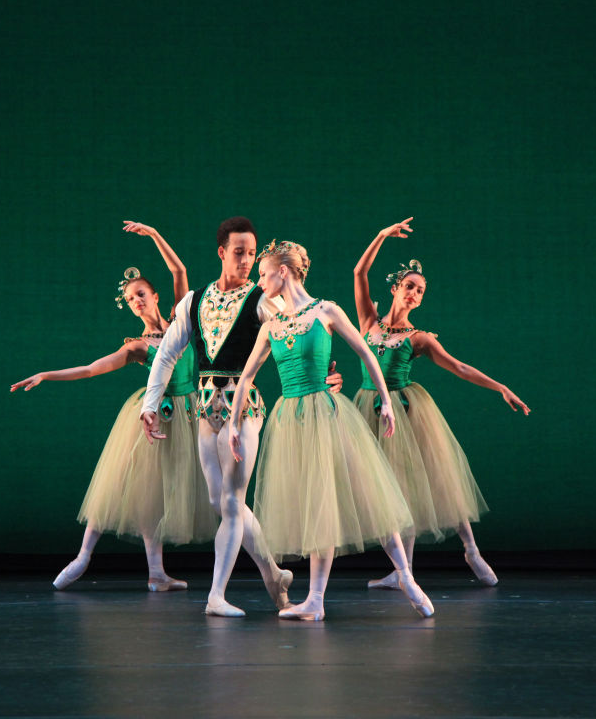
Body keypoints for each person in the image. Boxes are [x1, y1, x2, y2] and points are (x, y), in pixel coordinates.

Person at [139, 217, 343, 617]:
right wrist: (150, 404)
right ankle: (272, 572)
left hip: (243, 409)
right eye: (239, 252)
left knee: (232, 501)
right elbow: (167, 354)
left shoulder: (264, 299)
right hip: (203, 409)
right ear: (221, 252)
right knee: (220, 501)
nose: (247, 260)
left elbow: (300, 329)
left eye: (252, 253)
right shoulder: (193, 301)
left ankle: (216, 595)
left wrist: (323, 376)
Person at [227, 239, 435, 621]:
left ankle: (406, 576)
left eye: (263, 273)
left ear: (283, 272)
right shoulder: (272, 324)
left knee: (368, 492)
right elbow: (246, 377)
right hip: (291, 420)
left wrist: (386, 401)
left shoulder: (325, 310)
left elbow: (366, 353)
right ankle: (316, 600)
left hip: (327, 413)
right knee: (315, 504)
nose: (260, 281)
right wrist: (235, 424)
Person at [10, 222, 216, 591]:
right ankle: (84, 555)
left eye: (142, 293)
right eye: (131, 298)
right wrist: (46, 374)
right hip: (153, 414)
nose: (137, 300)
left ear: (155, 296)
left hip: (188, 414)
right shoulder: (137, 347)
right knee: (120, 484)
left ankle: (156, 574)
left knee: (158, 496)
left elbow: (179, 271)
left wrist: (154, 236)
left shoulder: (182, 322)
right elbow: (91, 369)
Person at [352, 218, 530, 589]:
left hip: (405, 410)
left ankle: (470, 549)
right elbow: (359, 271)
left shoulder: (419, 338)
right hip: (369, 409)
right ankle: (404, 573)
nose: (415, 293)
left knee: (435, 477)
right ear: (396, 288)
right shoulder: (368, 320)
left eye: (421, 290)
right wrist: (382, 235)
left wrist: (500, 387)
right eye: (410, 286)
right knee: (391, 492)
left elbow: (459, 367)